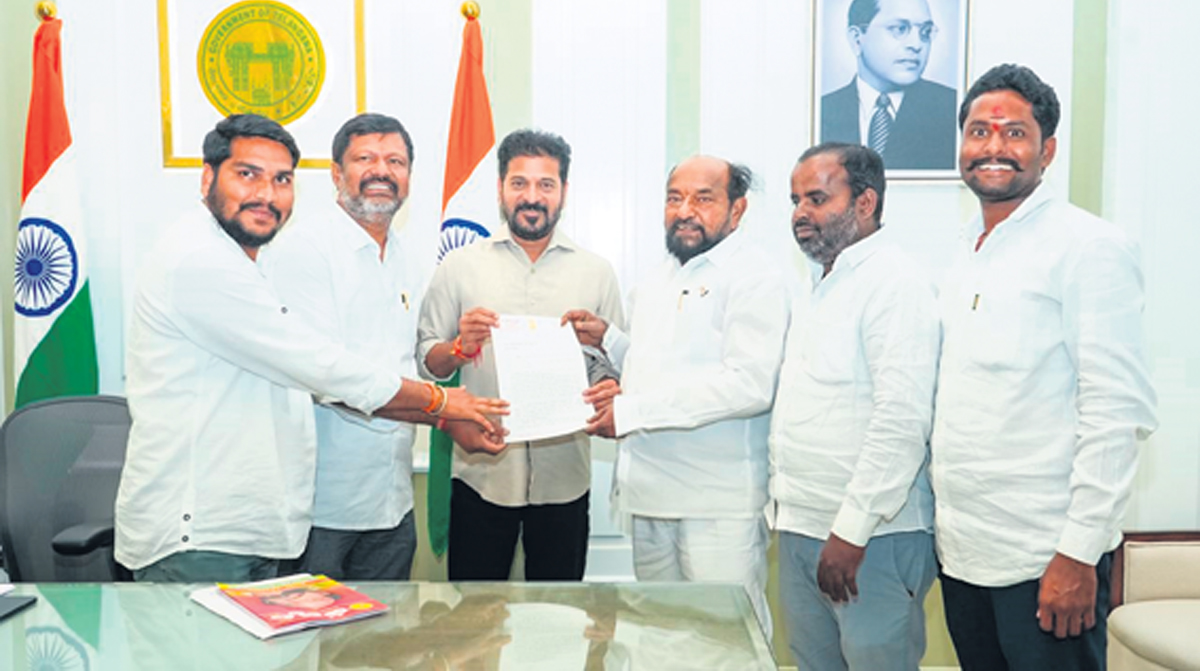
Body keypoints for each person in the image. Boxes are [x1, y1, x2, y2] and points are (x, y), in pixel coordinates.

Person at [116, 114, 507, 584]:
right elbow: (321, 369)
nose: (266, 194)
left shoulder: (253, 258)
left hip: (291, 513)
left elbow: (385, 362)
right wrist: (441, 406)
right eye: (247, 174)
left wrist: (446, 396)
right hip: (208, 528)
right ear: (207, 178)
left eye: (281, 180)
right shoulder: (205, 260)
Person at [933, 64, 1157, 668]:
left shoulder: (1089, 247)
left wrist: (1078, 554)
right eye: (979, 132)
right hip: (964, 554)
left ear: (1047, 150)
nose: (994, 147)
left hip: (1045, 559)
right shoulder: (962, 250)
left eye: (1015, 133)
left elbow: (1115, 412)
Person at [569, 155, 789, 631]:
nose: (685, 210)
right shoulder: (659, 275)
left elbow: (749, 384)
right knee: (659, 638)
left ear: (737, 209)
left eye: (703, 198)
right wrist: (609, 339)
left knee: (725, 644)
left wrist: (631, 412)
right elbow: (655, 365)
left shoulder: (755, 275)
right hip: (649, 497)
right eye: (675, 198)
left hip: (716, 506)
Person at [417, 128, 625, 582]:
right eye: (519, 183)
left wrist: (607, 383)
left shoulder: (597, 273)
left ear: (564, 191)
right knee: (475, 618)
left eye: (545, 184)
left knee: (560, 616)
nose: (532, 197)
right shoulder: (459, 267)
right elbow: (427, 362)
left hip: (564, 481)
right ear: (500, 189)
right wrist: (458, 347)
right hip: (482, 477)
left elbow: (610, 368)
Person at [770, 142, 939, 670]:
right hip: (803, 526)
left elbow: (901, 419)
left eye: (817, 198)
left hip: (870, 538)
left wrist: (852, 529)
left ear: (865, 203)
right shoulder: (817, 284)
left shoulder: (894, 281)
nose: (801, 213)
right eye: (796, 200)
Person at [262, 113, 423, 581]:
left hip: (392, 498)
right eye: (365, 159)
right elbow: (325, 377)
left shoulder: (406, 256)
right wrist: (442, 409)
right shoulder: (305, 249)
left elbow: (406, 361)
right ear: (336, 173)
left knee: (389, 627)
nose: (382, 171)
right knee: (313, 629)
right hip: (322, 507)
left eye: (395, 161)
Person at [820, 0, 957, 170]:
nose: (916, 45)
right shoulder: (822, 111)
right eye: (899, 29)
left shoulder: (952, 107)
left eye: (926, 32)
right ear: (857, 39)